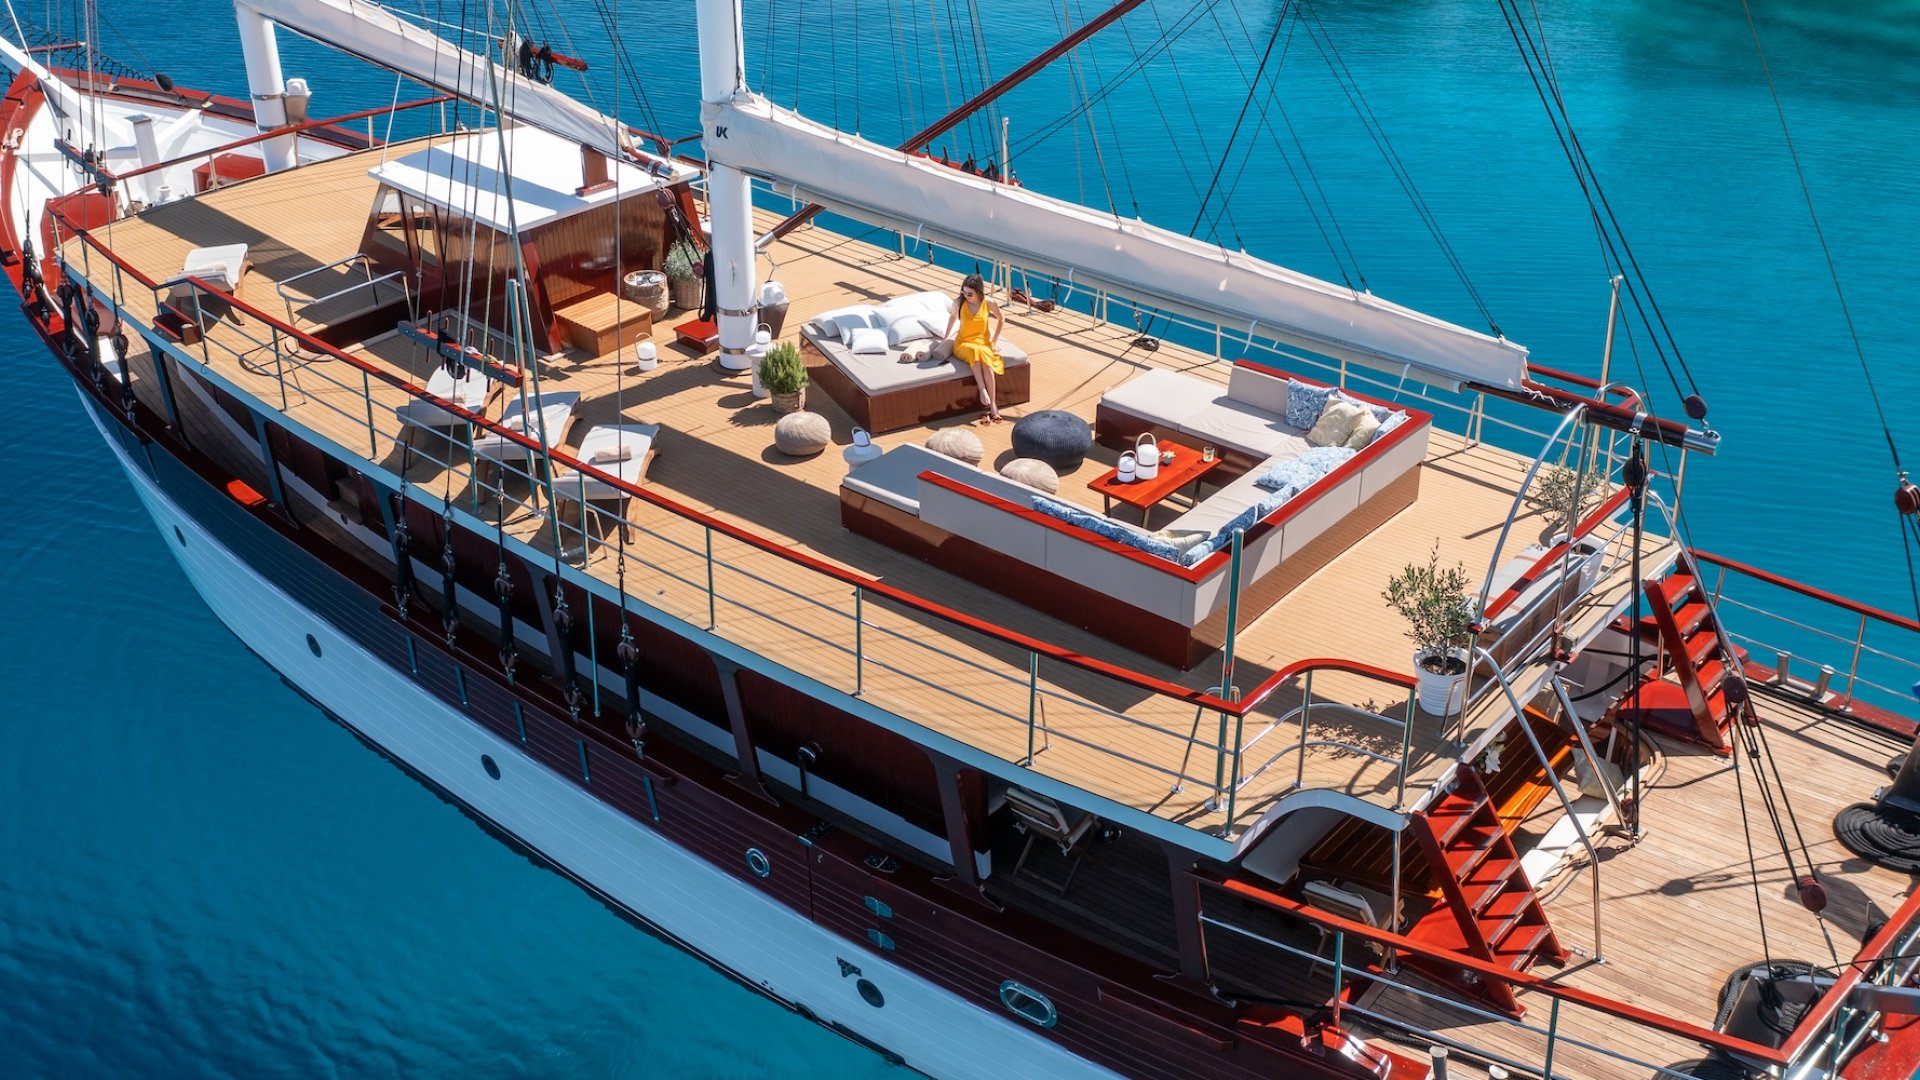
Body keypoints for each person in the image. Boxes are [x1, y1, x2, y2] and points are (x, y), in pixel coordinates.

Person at [942, 273, 1006, 424]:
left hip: (982, 342)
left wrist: (994, 340)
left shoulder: (988, 302)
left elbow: (1002, 319)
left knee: (985, 359)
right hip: (963, 343)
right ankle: (983, 390)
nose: (966, 296)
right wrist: (945, 339)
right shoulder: (959, 302)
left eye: (969, 294)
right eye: (963, 292)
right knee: (977, 352)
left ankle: (993, 404)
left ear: (978, 291)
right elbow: (952, 319)